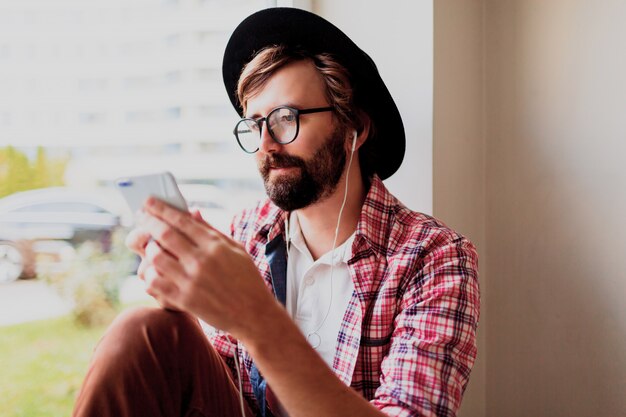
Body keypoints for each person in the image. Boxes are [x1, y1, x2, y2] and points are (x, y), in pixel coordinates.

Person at [72, 8, 479, 417]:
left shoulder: (435, 256)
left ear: (355, 126)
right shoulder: (247, 231)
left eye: (287, 118)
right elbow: (223, 386)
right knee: (145, 330)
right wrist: (186, 298)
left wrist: (257, 317)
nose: (266, 144)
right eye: (254, 124)